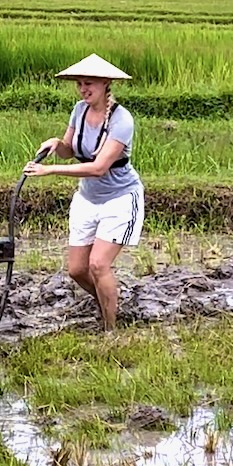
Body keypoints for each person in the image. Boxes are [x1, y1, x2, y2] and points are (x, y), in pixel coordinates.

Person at [25, 54, 143, 331]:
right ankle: (108, 303)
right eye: (79, 84)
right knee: (78, 270)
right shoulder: (79, 110)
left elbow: (99, 167)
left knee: (99, 265)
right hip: (88, 198)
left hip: (120, 198)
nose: (83, 89)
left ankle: (111, 330)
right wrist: (56, 144)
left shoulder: (121, 120)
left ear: (105, 84)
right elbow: (69, 150)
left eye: (88, 83)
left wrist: (49, 172)